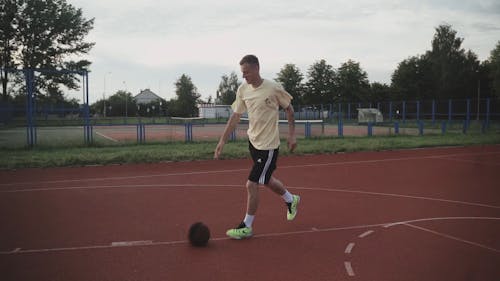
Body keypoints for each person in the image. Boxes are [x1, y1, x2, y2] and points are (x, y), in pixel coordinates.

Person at [214, 54, 300, 239]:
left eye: (246, 72)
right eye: (242, 73)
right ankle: (291, 199)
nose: (244, 76)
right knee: (266, 179)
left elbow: (289, 110)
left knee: (252, 184)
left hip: (269, 146)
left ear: (256, 68)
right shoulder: (243, 89)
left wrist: (292, 136)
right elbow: (235, 116)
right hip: (253, 142)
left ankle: (247, 226)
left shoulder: (273, 88)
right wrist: (222, 141)